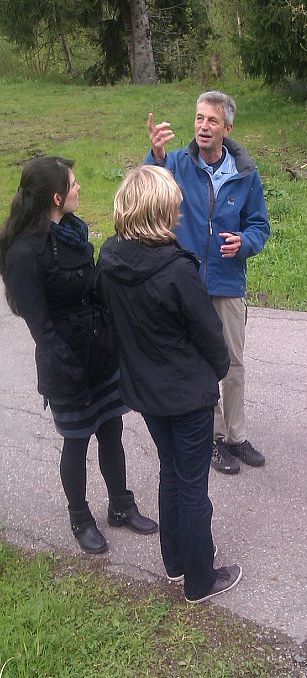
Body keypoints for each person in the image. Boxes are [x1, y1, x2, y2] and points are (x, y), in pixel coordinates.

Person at [98, 164, 242, 603]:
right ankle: (200, 579)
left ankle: (176, 563)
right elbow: (210, 336)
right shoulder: (177, 270)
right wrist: (214, 372)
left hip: (146, 391)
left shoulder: (108, 257)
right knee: (192, 484)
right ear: (160, 212)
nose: (180, 212)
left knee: (169, 472)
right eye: (175, 206)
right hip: (186, 394)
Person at [0, 156, 158, 554]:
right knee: (77, 439)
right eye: (73, 183)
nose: (79, 188)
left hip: (100, 350)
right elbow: (40, 326)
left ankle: (121, 505)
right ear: (56, 196)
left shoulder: (73, 231)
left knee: (112, 430)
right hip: (65, 362)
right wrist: (68, 368)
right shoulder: (24, 254)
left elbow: (95, 288)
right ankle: (80, 517)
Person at [145, 90, 270, 475]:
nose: (203, 126)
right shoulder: (178, 164)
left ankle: (236, 436)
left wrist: (245, 242)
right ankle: (213, 439)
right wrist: (156, 156)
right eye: (199, 119)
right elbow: (148, 192)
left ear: (227, 128)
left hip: (228, 283)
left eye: (212, 120)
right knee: (199, 364)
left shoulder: (245, 173)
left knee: (232, 363)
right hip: (186, 283)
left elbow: (260, 226)